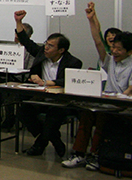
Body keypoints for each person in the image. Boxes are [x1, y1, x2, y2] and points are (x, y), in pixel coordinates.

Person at [62, 2, 132, 170]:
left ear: (130, 51)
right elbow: (98, 42)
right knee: (87, 114)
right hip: (107, 104)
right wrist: (91, 19)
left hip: (126, 108)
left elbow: (130, 90)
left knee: (103, 116)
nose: (114, 51)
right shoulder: (109, 61)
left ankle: (96, 155)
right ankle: (79, 154)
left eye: (119, 49)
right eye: (113, 47)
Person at [13, 10, 82, 157]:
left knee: (53, 115)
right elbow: (25, 40)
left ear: (61, 50)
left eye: (50, 46)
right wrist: (18, 22)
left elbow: (68, 81)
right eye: (46, 44)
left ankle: (40, 144)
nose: (46, 47)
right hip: (40, 98)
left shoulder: (73, 62)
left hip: (62, 101)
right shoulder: (41, 54)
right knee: (23, 111)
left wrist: (46, 82)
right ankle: (54, 139)